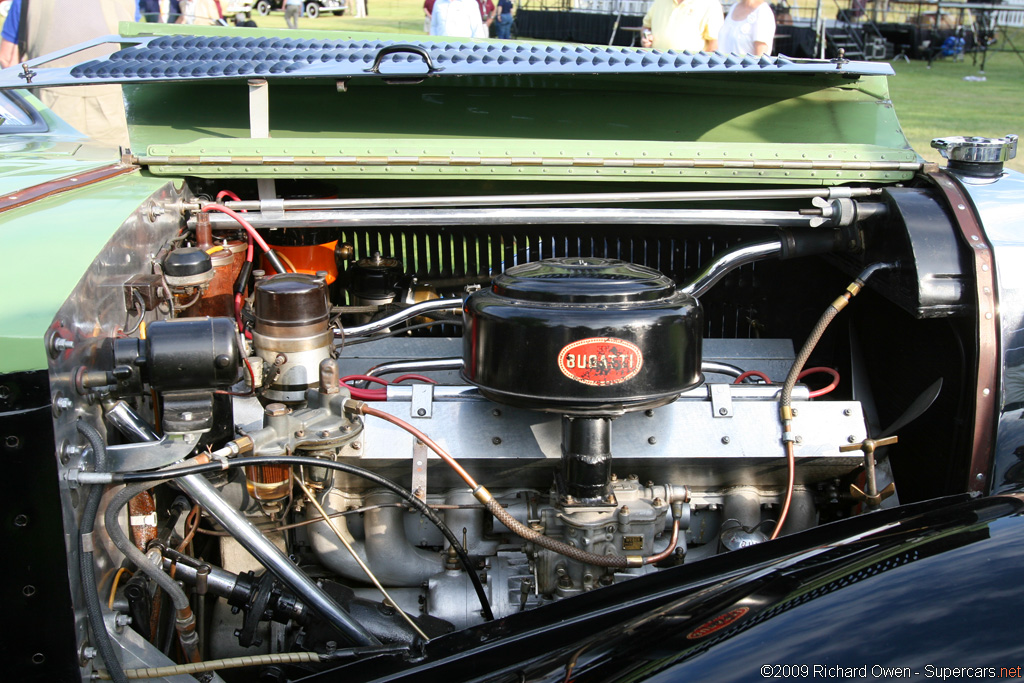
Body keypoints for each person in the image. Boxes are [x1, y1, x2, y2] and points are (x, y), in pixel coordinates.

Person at [0, 0, 137, 148]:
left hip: (49, 109)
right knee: (112, 166)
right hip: (112, 108)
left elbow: (8, 58)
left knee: (57, 166)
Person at [641, 0, 724, 52]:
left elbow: (714, 44)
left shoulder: (711, 4)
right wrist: (646, 37)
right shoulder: (659, 1)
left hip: (688, 73)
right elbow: (646, 27)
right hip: (656, 65)